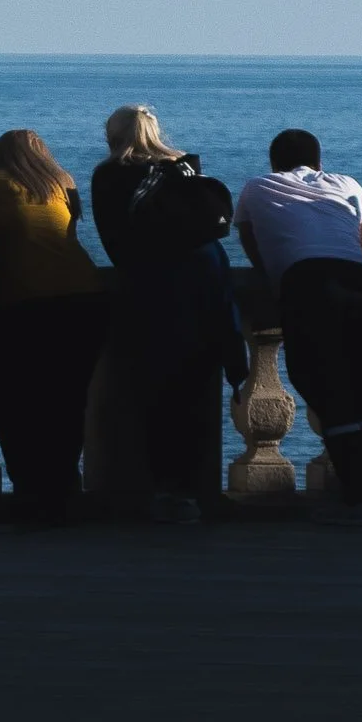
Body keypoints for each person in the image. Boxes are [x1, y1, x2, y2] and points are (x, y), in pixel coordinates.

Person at [92, 107, 247, 524]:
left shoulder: (110, 175)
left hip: (152, 295)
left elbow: (115, 243)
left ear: (114, 135)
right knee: (195, 395)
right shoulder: (184, 168)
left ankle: (163, 492)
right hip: (205, 287)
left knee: (153, 398)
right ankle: (193, 494)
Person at [0, 130, 108, 525]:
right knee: (67, 400)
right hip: (82, 298)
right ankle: (62, 490)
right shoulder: (64, 182)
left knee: (16, 401)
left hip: (20, 302)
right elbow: (69, 234)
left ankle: (29, 492)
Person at [235, 129, 362, 526]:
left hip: (307, 284)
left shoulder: (257, 187)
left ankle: (355, 500)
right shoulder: (346, 183)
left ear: (274, 162)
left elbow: (249, 237)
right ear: (319, 161)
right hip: (358, 283)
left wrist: (273, 276)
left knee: (324, 387)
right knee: (361, 388)